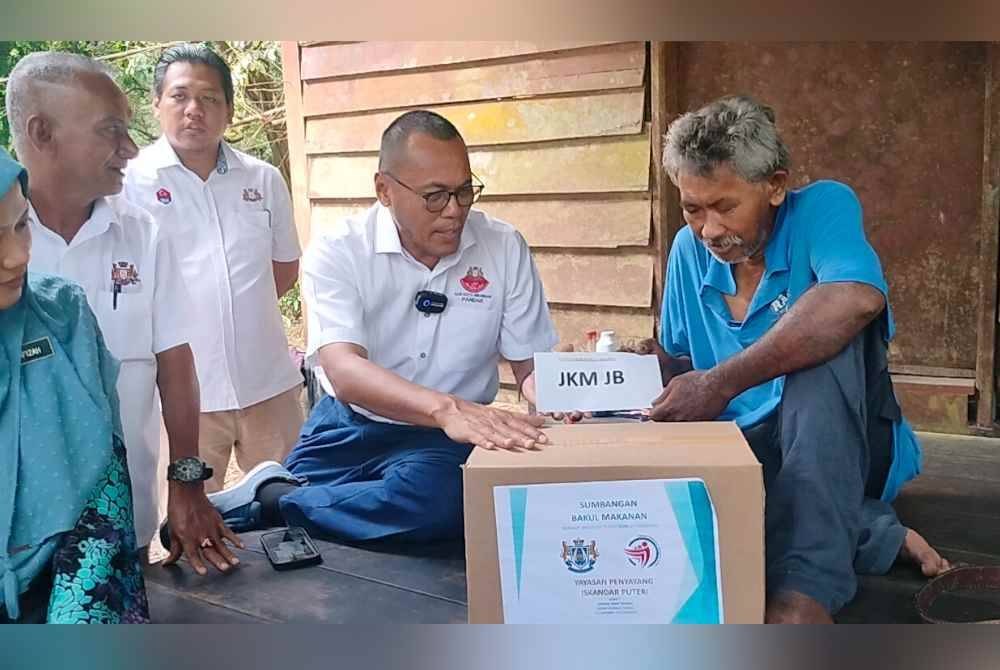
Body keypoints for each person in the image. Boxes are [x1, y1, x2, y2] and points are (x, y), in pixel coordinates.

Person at [642, 95, 949, 623]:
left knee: (820, 345)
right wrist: (641, 367)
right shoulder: (687, 251)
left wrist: (720, 382)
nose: (709, 230)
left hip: (839, 438)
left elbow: (855, 297)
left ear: (775, 186)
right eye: (693, 209)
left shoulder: (822, 207)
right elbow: (683, 362)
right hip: (748, 450)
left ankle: (806, 588)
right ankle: (867, 530)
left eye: (725, 206)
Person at [185, 110, 559, 543]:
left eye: (464, 191)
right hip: (348, 425)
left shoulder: (502, 246)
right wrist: (447, 408)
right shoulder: (339, 251)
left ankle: (271, 502)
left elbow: (529, 365)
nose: (455, 210)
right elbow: (343, 372)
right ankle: (291, 503)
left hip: (439, 441)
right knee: (318, 542)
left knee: (449, 503)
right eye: (435, 195)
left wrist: (559, 395)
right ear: (384, 189)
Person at [5, 51, 241, 575]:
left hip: (120, 528)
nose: (129, 150)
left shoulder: (142, 234)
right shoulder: (4, 242)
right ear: (42, 133)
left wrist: (186, 482)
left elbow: (175, 363)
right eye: (111, 131)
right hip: (15, 543)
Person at [124, 44, 304, 494]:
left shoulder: (262, 179)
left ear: (227, 109)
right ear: (157, 104)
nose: (194, 111)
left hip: (269, 386)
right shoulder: (131, 183)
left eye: (209, 99)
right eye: (180, 97)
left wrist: (242, 311)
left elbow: (283, 269)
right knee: (184, 526)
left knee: (289, 510)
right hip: (181, 398)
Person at [0, 148, 148, 623]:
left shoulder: (63, 315)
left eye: (21, 226)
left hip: (67, 587)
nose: (16, 257)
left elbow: (103, 473)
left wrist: (78, 613)